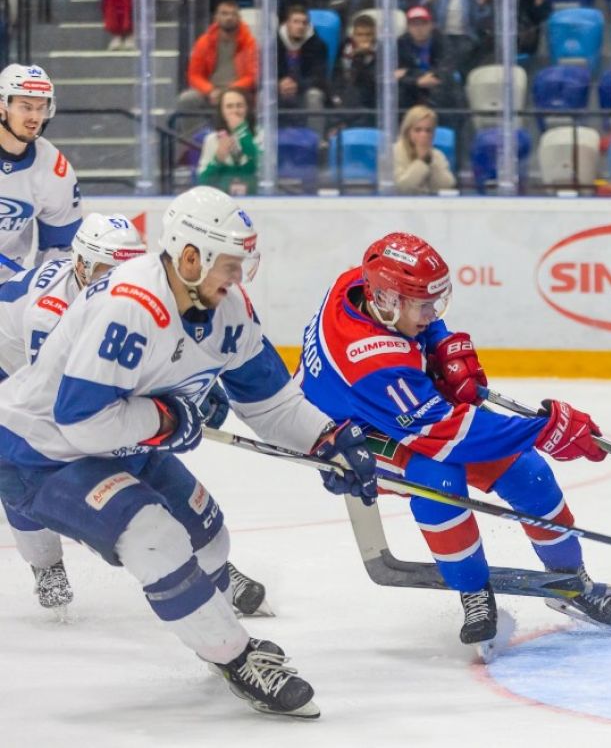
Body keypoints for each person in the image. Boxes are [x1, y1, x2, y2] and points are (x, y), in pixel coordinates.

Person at [0, 186, 377, 717]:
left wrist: (327, 440)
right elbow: (81, 422)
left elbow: (270, 402)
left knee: (210, 538)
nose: (239, 279)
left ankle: (205, 615)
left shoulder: (230, 308)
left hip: (120, 439)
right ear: (190, 257)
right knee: (154, 535)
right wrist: (168, 419)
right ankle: (237, 658)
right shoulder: (131, 307)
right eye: (230, 265)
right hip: (38, 452)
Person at [296, 232, 611, 651]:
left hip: (398, 402)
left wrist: (439, 344)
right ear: (386, 301)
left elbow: (423, 337)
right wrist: (542, 430)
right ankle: (473, 590)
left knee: (528, 474)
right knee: (438, 479)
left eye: (436, 302)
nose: (432, 312)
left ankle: (570, 581)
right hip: (346, 435)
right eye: (423, 307)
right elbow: (450, 436)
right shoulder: (372, 361)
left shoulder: (358, 284)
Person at [0, 213, 144, 614]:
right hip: (8, 365)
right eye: (107, 272)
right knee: (17, 462)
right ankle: (45, 565)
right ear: (81, 264)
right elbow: (52, 398)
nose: (119, 283)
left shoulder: (125, 297)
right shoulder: (48, 313)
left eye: (128, 271)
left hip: (28, 362)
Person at [0, 64, 81, 283]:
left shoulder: (55, 170)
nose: (35, 117)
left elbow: (60, 249)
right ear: (2, 106)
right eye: (25, 107)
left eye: (41, 108)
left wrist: (38, 293)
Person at [176, 0, 259, 139]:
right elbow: (194, 75)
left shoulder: (249, 42)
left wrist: (231, 91)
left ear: (239, 18)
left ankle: (252, 142)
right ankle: (193, 145)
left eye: (233, 14)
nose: (229, 17)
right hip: (211, 92)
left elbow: (252, 75)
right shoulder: (204, 41)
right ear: (216, 18)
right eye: (224, 14)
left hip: (240, 91)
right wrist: (210, 90)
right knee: (186, 99)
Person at [422, 0, 491, 79]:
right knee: (443, 54)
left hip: (465, 36)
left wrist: (481, 6)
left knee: (462, 53)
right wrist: (427, 1)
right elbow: (423, 13)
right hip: (441, 36)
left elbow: (480, 19)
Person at [396, 6, 468, 123]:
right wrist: (417, 82)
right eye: (414, 24)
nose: (419, 28)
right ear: (408, 28)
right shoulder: (400, 45)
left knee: (450, 87)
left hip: (440, 91)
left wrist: (410, 74)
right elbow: (394, 75)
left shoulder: (443, 41)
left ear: (431, 25)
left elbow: (446, 67)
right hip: (411, 94)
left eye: (423, 24)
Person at [276, 5, 329, 136]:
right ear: (287, 24)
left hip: (304, 90)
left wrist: (297, 84)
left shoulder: (318, 45)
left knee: (314, 96)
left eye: (304, 23)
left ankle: (316, 140)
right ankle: (264, 140)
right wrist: (279, 84)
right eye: (296, 22)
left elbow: (320, 77)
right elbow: (264, 74)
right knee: (264, 95)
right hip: (279, 90)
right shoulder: (273, 43)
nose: (300, 26)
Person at [197, 87, 260, 196]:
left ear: (247, 108)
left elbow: (257, 167)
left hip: (255, 199)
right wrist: (217, 159)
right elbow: (203, 181)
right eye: (229, 106)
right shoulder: (212, 139)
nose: (235, 111)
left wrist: (242, 131)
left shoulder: (259, 135)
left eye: (239, 106)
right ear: (221, 111)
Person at [393, 105, 456, 194]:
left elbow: (447, 186)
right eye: (417, 130)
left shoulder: (437, 155)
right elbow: (403, 188)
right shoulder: (394, 152)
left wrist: (430, 160)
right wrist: (421, 161)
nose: (423, 135)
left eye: (428, 130)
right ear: (407, 131)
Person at [331, 12, 378, 130]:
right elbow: (336, 74)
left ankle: (342, 125)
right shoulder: (344, 48)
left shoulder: (381, 52)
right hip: (344, 97)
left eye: (368, 35)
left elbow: (369, 81)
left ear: (375, 35)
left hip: (370, 101)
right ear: (353, 35)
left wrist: (360, 57)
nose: (364, 39)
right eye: (360, 35)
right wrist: (335, 95)